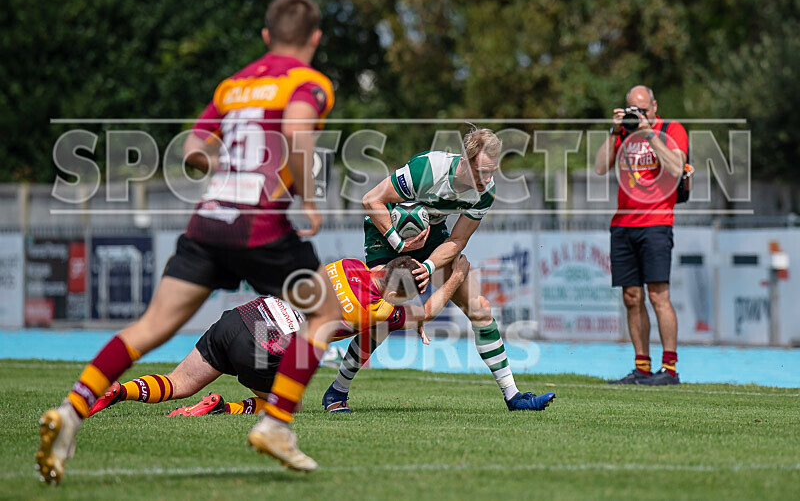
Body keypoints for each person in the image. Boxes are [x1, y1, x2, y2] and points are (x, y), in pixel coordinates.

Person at [36, 0, 340, 483]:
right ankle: (276, 424)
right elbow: (298, 131)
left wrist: (226, 165)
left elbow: (194, 150)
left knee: (150, 326)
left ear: (265, 36)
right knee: (325, 315)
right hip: (261, 224)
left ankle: (71, 411)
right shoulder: (309, 82)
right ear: (315, 38)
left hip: (208, 221)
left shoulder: (233, 85)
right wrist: (306, 197)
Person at [322, 128, 556, 413]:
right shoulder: (429, 170)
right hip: (387, 236)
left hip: (432, 237)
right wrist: (400, 243)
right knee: (382, 319)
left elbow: (458, 239)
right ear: (465, 160)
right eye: (481, 171)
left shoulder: (486, 192)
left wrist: (428, 266)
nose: (486, 180)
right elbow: (372, 200)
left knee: (480, 308)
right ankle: (337, 391)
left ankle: (513, 396)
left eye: (492, 172)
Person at [87, 256, 470, 418]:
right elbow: (428, 311)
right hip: (265, 346)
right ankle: (222, 407)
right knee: (287, 406)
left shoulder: (347, 264)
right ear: (395, 293)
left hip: (241, 317)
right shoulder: (380, 309)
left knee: (178, 383)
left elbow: (380, 270)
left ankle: (118, 392)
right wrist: (456, 275)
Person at [594, 85, 688, 386]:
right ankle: (642, 366)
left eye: (644, 109)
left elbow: (676, 166)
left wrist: (648, 132)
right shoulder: (622, 133)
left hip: (657, 222)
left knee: (659, 295)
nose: (639, 114)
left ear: (654, 106)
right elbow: (599, 168)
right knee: (631, 297)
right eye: (634, 109)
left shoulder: (671, 128)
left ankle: (669, 369)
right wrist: (614, 130)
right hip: (623, 223)